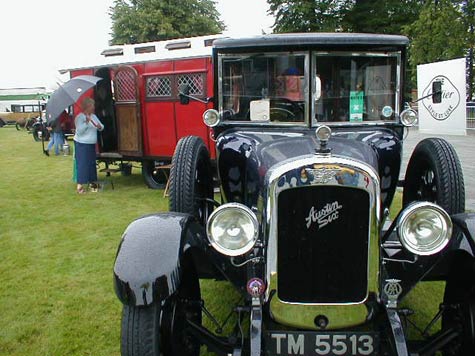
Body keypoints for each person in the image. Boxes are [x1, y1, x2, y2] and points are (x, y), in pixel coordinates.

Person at [74, 98, 104, 194]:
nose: (94, 107)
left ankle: (93, 184)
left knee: (91, 164)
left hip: (91, 144)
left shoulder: (93, 116)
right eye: (92, 105)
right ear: (88, 107)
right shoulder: (80, 117)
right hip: (82, 144)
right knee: (83, 164)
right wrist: (86, 123)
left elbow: (101, 126)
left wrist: (100, 127)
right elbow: (79, 131)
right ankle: (80, 186)